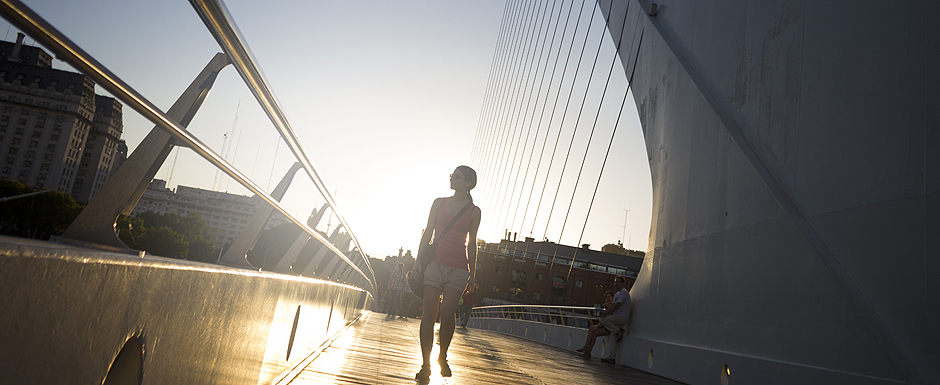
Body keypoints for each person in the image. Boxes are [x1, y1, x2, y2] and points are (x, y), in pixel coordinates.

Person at [412, 166, 481, 382]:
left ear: (468, 183)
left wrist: (472, 272)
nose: (452, 178)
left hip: (459, 268)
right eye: (452, 175)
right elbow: (428, 232)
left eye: (456, 177)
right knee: (429, 314)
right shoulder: (438, 203)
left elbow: (472, 245)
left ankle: (443, 355)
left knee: (448, 313)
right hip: (434, 264)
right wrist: (417, 260)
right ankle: (425, 364)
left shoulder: (474, 211)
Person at [575, 276, 631, 359]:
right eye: (615, 282)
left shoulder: (624, 292)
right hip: (614, 319)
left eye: (618, 282)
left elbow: (617, 305)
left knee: (601, 320)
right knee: (593, 329)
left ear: (623, 284)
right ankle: (587, 350)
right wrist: (607, 313)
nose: (616, 284)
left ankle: (618, 331)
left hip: (621, 318)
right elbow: (613, 305)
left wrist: (608, 312)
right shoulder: (617, 294)